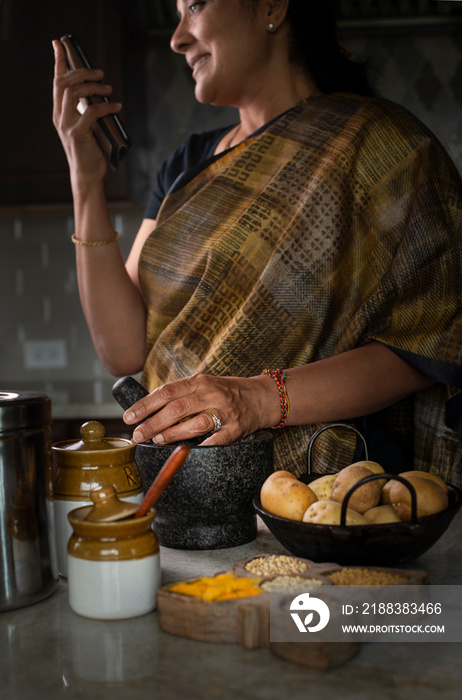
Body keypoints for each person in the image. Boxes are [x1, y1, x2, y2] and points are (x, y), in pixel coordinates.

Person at [52, 0, 462, 485]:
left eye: (196, 6)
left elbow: (434, 338)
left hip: (327, 494)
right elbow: (124, 351)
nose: (177, 37)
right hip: (185, 484)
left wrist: (257, 399)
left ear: (270, 6)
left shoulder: (381, 146)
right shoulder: (187, 167)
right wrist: (86, 180)